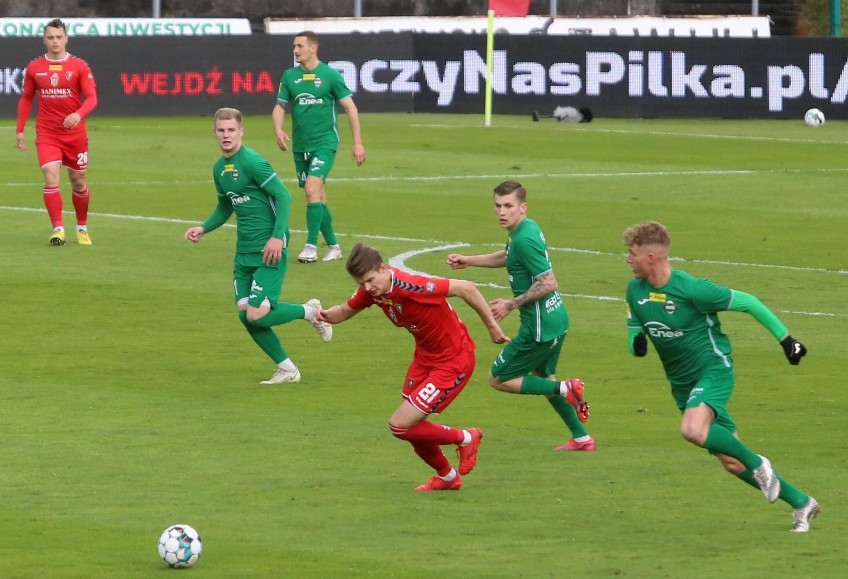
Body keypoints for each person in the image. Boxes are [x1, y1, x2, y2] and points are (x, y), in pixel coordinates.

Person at [622, 220, 819, 532]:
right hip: (682, 386)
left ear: (651, 257)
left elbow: (749, 302)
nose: (627, 259)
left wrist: (787, 340)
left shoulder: (692, 289)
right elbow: (634, 325)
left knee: (692, 430)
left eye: (631, 253)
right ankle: (802, 503)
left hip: (713, 371)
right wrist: (637, 342)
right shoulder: (635, 290)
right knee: (732, 462)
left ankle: (760, 464)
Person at [317, 242, 510, 491]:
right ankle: (448, 478)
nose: (367, 288)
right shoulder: (373, 290)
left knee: (400, 424)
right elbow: (344, 311)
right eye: (361, 284)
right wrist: (320, 314)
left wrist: (492, 326)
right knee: (414, 427)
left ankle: (466, 437)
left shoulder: (412, 285)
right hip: (425, 359)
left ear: (384, 268)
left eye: (370, 280)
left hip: (453, 360)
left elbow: (466, 288)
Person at [185, 107, 333, 385]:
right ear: (214, 132)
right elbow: (224, 206)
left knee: (256, 313)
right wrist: (203, 227)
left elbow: (284, 196)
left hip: (269, 249)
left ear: (241, 131)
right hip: (244, 252)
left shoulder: (253, 162)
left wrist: (278, 236)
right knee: (246, 316)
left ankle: (310, 312)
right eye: (221, 130)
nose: (226, 135)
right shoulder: (219, 169)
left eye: (231, 130)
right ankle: (287, 368)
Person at [447, 180, 594, 451]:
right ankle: (582, 438)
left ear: (522, 207)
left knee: (498, 378)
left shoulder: (524, 239)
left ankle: (567, 389)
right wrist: (470, 260)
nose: (502, 211)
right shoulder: (526, 228)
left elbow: (549, 282)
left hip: (538, 328)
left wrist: (510, 304)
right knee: (542, 377)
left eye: (508, 206)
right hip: (556, 320)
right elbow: (508, 255)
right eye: (498, 206)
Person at [272, 30, 366, 264]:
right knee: (318, 196)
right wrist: (278, 129)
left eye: (300, 46)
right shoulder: (289, 76)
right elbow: (280, 106)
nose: (295, 50)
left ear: (313, 48)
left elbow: (351, 108)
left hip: (325, 142)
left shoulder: (330, 75)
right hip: (300, 146)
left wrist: (357, 143)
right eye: (294, 46)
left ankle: (310, 246)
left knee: (312, 189)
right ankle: (334, 246)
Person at [16, 18, 97, 246]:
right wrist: (20, 130)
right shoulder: (34, 67)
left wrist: (78, 114)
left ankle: (81, 227)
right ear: (44, 40)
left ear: (66, 39)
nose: (55, 41)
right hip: (47, 133)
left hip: (75, 134)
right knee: (51, 177)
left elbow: (92, 97)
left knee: (78, 180)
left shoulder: (79, 66)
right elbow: (26, 98)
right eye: (50, 37)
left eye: (59, 37)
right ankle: (58, 228)